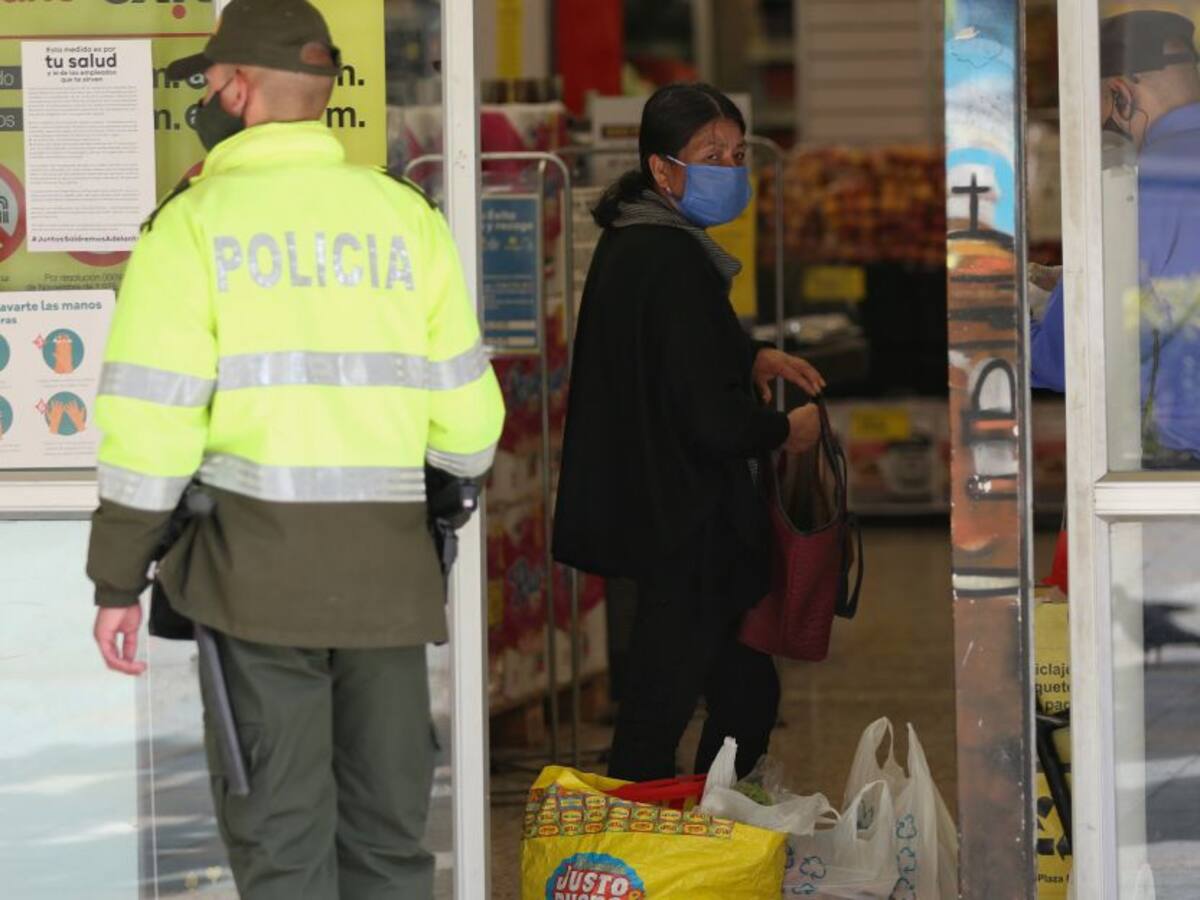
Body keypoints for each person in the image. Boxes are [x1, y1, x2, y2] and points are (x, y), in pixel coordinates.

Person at [85, 1, 505, 897]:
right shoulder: (406, 219)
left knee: (283, 844)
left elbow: (151, 428)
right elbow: (470, 423)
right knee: (391, 842)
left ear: (236, 86)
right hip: (389, 589)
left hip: (252, 589)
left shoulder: (189, 228)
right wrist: (442, 506)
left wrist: (118, 581)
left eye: (209, 79)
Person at [553, 83, 826, 782]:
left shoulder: (637, 240)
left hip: (660, 511)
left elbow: (668, 354)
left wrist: (748, 355)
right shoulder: (672, 258)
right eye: (711, 154)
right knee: (672, 701)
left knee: (733, 690)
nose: (730, 168)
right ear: (662, 169)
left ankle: (707, 831)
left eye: (736, 153)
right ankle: (644, 848)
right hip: (686, 519)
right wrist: (783, 429)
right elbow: (706, 413)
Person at [1031, 9, 1200, 466]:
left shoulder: (1131, 186)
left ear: (1120, 96)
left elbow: (1066, 359)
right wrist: (1066, 282)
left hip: (1178, 476)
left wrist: (1008, 312)